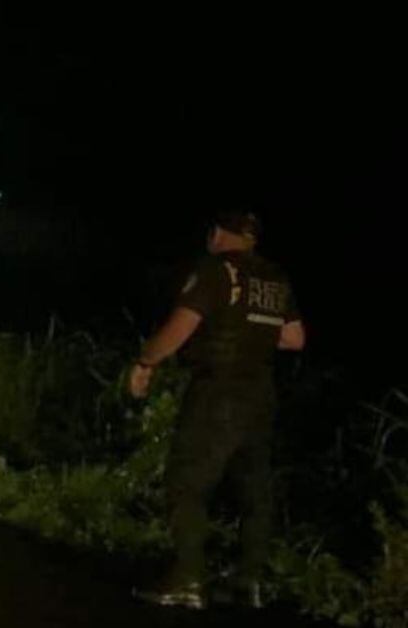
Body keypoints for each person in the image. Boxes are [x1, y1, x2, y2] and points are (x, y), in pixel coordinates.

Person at [130, 210, 306, 610]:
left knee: (186, 482)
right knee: (255, 491)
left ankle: (188, 579)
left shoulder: (215, 271)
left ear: (218, 234)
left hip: (218, 392)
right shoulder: (275, 278)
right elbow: (294, 338)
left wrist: (145, 361)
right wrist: (254, 333)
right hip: (261, 397)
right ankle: (249, 582)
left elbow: (180, 329)